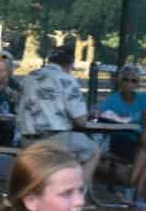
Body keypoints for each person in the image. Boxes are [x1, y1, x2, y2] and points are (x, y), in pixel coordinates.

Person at [16, 43, 101, 184]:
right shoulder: (67, 80)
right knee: (93, 150)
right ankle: (77, 192)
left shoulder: (28, 77)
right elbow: (81, 121)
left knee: (72, 148)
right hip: (54, 140)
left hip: (26, 140)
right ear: (71, 63)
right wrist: (88, 114)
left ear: (50, 60)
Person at [93, 63, 146, 209]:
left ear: (138, 84)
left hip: (137, 140)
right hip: (120, 140)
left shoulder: (143, 98)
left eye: (133, 81)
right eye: (126, 79)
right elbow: (97, 112)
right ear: (120, 81)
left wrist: (142, 135)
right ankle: (136, 192)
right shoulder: (112, 98)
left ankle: (132, 188)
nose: (129, 83)